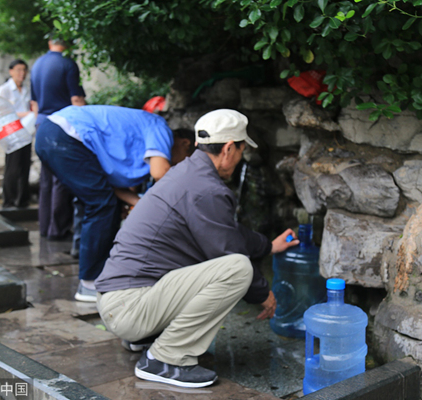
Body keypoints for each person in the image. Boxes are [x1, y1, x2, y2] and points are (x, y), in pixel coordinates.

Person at [94, 109, 298, 388]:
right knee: (238, 269)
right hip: (130, 307)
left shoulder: (187, 174)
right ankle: (166, 359)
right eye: (241, 150)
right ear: (228, 149)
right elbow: (229, 253)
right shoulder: (206, 189)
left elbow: (227, 231)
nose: (240, 159)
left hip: (120, 301)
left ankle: (144, 337)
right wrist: (264, 293)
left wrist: (267, 245)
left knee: (233, 264)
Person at [35, 104, 194, 302]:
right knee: (101, 205)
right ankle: (90, 284)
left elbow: (109, 188)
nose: (178, 167)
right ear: (185, 143)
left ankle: (99, 277)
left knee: (104, 202)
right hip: (64, 135)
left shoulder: (138, 140)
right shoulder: (161, 128)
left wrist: (138, 202)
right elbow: (160, 172)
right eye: (184, 162)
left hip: (53, 134)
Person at [30, 34, 86, 240]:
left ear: (49, 43)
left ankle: (45, 227)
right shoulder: (68, 64)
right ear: (67, 44)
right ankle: (59, 229)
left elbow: (33, 103)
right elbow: (77, 99)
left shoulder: (36, 64)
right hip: (62, 124)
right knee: (62, 178)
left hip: (41, 123)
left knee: (46, 178)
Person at [0, 59, 33, 209]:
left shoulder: (27, 90)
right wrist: (27, 114)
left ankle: (22, 200)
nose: (22, 74)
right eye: (18, 70)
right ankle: (9, 200)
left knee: (25, 165)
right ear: (11, 71)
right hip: (11, 132)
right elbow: (3, 112)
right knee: (12, 166)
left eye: (24, 70)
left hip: (26, 131)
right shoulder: (4, 89)